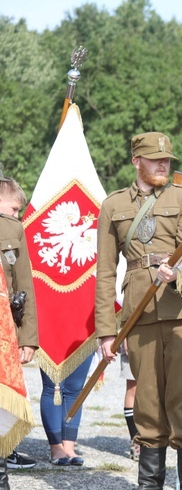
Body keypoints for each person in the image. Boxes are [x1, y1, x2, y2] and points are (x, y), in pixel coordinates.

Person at [95, 132, 182, 489]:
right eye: (155, 159)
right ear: (136, 162)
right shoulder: (112, 206)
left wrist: (179, 274)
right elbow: (105, 271)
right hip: (138, 315)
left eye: (167, 160)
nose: (163, 165)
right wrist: (106, 331)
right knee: (147, 408)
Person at [0, 170, 39, 485]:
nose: (17, 214)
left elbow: (23, 286)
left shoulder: (12, 230)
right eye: (15, 208)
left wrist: (28, 339)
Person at [40, 353, 94, 465]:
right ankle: (56, 447)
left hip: (83, 336)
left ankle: (69, 447)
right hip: (50, 335)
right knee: (53, 387)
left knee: (75, 388)